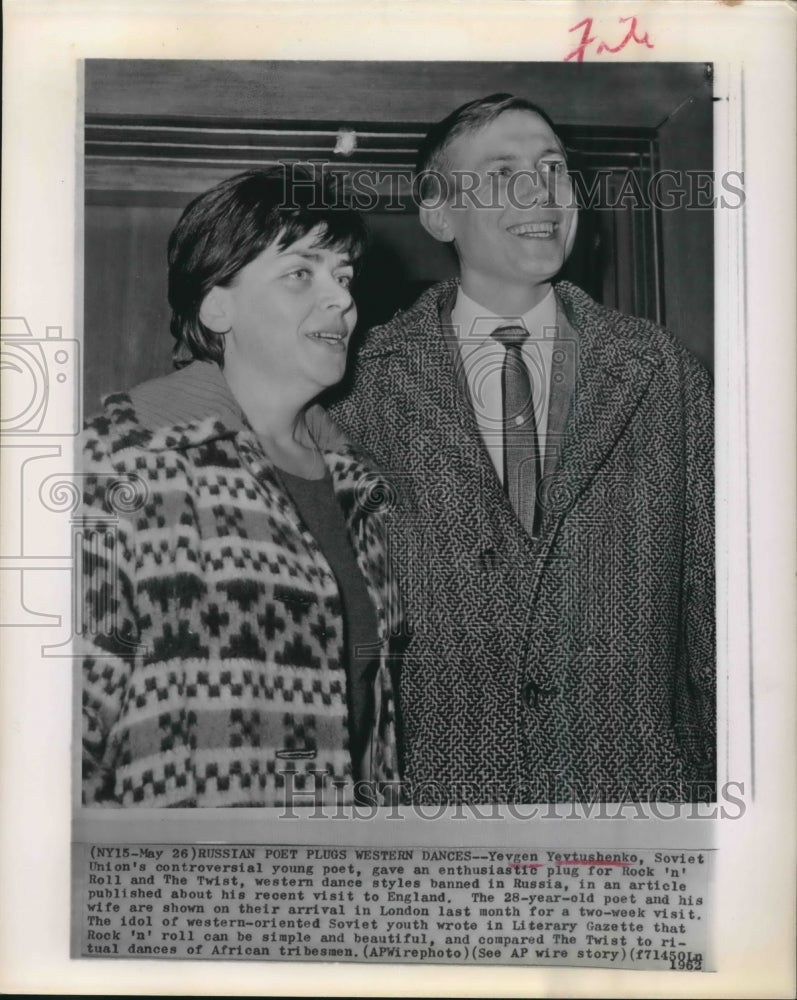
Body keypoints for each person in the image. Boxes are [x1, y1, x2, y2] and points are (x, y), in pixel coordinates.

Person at [330, 94, 715, 803]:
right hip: (440, 824)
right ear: (439, 213)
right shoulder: (359, 391)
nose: (541, 191)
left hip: (635, 814)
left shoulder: (664, 377)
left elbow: (716, 624)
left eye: (553, 167)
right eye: (502, 172)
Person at [80, 167, 402, 808]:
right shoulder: (122, 459)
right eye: (301, 273)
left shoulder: (361, 486)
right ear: (216, 304)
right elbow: (53, 743)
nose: (341, 299)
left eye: (343, 276)